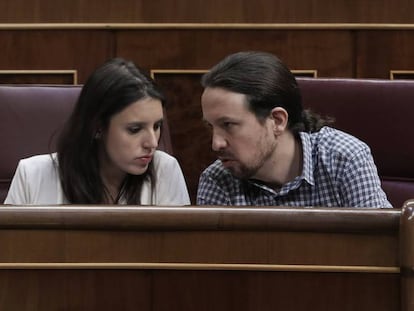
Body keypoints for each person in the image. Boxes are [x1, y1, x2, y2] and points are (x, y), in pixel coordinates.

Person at [197, 51, 392, 208]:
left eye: (228, 125)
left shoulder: (343, 159)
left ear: (277, 120)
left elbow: (380, 250)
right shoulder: (217, 179)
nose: (216, 144)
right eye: (211, 126)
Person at [4, 58, 190, 205]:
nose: (152, 143)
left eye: (157, 126)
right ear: (97, 127)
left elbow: (180, 250)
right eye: (135, 129)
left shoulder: (165, 170)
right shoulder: (32, 176)